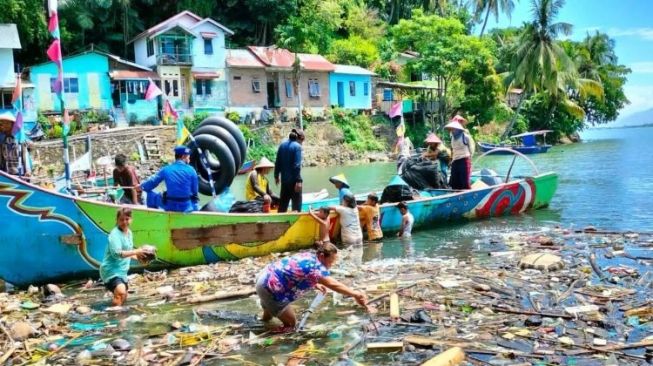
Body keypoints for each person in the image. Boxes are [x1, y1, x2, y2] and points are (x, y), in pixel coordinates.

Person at [255, 242, 368, 330]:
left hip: (264, 278)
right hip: (271, 288)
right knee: (291, 324)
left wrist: (315, 284)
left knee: (269, 310)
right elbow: (334, 285)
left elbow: (296, 272)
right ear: (322, 256)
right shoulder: (316, 268)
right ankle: (272, 339)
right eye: (331, 261)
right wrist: (355, 294)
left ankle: (263, 324)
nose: (331, 265)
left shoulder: (308, 256)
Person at [99, 208, 150, 306]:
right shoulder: (114, 235)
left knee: (123, 297)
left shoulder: (129, 233)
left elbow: (128, 252)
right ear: (117, 220)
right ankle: (114, 317)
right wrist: (137, 251)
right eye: (121, 220)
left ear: (131, 219)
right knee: (121, 292)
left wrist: (139, 257)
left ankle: (120, 318)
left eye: (127, 219)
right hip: (111, 270)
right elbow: (117, 254)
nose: (124, 222)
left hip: (122, 271)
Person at [140, 145, 199, 212]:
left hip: (170, 206)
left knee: (150, 194)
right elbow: (195, 192)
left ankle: (153, 216)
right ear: (183, 157)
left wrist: (141, 186)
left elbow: (151, 183)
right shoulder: (192, 170)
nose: (189, 159)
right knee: (193, 202)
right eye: (188, 157)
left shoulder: (166, 169)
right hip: (186, 207)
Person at [274, 129, 305, 212]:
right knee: (296, 206)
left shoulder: (282, 146)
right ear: (300, 139)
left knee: (283, 205)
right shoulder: (297, 147)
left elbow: (277, 162)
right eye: (302, 141)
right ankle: (295, 222)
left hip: (284, 181)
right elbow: (297, 166)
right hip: (294, 182)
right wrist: (298, 181)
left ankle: (280, 222)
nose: (302, 143)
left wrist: (276, 176)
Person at [445, 117, 475, 190]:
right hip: (455, 161)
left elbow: (471, 148)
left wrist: (470, 159)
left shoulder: (466, 137)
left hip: (464, 160)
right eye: (451, 129)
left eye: (454, 129)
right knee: (453, 182)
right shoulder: (452, 137)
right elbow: (453, 149)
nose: (452, 130)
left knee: (464, 182)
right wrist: (451, 160)